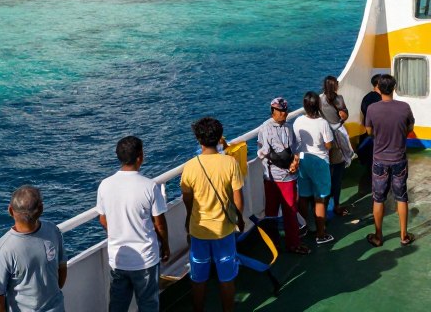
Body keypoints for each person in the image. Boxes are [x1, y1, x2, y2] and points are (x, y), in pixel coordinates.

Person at [96, 136, 169, 312]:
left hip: (118, 259)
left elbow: (102, 219)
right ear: (140, 157)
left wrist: (117, 232)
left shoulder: (105, 185)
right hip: (145, 260)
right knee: (148, 305)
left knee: (117, 306)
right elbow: (159, 224)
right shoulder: (149, 186)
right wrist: (165, 246)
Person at [180, 117, 244, 312]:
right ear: (219, 138)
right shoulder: (230, 163)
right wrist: (239, 220)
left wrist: (189, 220)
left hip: (199, 230)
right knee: (227, 278)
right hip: (224, 230)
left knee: (198, 279)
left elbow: (187, 199)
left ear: (198, 139)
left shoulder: (190, 166)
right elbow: (238, 199)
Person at [0, 185, 67, 312]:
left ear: (10, 210)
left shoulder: (3, 250)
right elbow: (62, 268)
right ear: (41, 209)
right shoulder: (53, 230)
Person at [364, 73, 415, 247]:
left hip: (380, 160)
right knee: (401, 197)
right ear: (394, 88)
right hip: (399, 158)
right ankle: (404, 236)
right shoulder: (404, 107)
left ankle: (378, 236)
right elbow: (410, 127)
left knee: (378, 199)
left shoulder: (372, 109)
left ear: (378, 88)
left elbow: (369, 131)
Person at [256, 98, 307, 254]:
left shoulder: (289, 128)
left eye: (285, 111)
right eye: (280, 111)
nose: (284, 114)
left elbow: (298, 149)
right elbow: (262, 153)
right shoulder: (265, 129)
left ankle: (293, 243)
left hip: (289, 177)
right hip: (271, 178)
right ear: (273, 112)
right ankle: (273, 243)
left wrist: (296, 162)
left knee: (290, 211)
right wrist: (282, 161)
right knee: (271, 212)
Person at [293, 91, 335, 244]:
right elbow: (328, 145)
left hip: (303, 160)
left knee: (304, 196)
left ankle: (304, 228)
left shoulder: (298, 121)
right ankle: (321, 234)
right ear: (318, 105)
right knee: (320, 198)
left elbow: (296, 141)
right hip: (319, 162)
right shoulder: (322, 123)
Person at [320, 75, 354, 217]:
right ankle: (336, 205)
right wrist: (342, 117)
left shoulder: (319, 100)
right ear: (335, 86)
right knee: (338, 174)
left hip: (324, 138)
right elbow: (344, 115)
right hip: (337, 137)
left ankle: (324, 206)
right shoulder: (339, 99)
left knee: (326, 174)